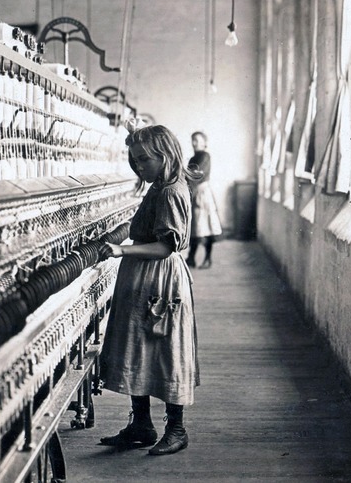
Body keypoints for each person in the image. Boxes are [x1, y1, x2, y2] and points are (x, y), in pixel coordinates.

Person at [97, 125, 201, 456]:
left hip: (159, 278)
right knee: (138, 348)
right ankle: (141, 424)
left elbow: (165, 247)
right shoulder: (161, 186)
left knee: (167, 351)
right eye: (134, 160)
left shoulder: (170, 192)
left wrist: (120, 250)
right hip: (144, 278)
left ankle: (177, 429)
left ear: (165, 155)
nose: (139, 166)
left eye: (144, 159)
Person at [186, 131, 223, 269]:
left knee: (206, 227)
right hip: (194, 193)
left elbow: (197, 174)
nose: (194, 143)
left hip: (202, 194)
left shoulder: (205, 156)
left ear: (204, 142)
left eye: (197, 140)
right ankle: (191, 257)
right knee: (195, 226)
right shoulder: (192, 158)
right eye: (192, 140)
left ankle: (207, 258)